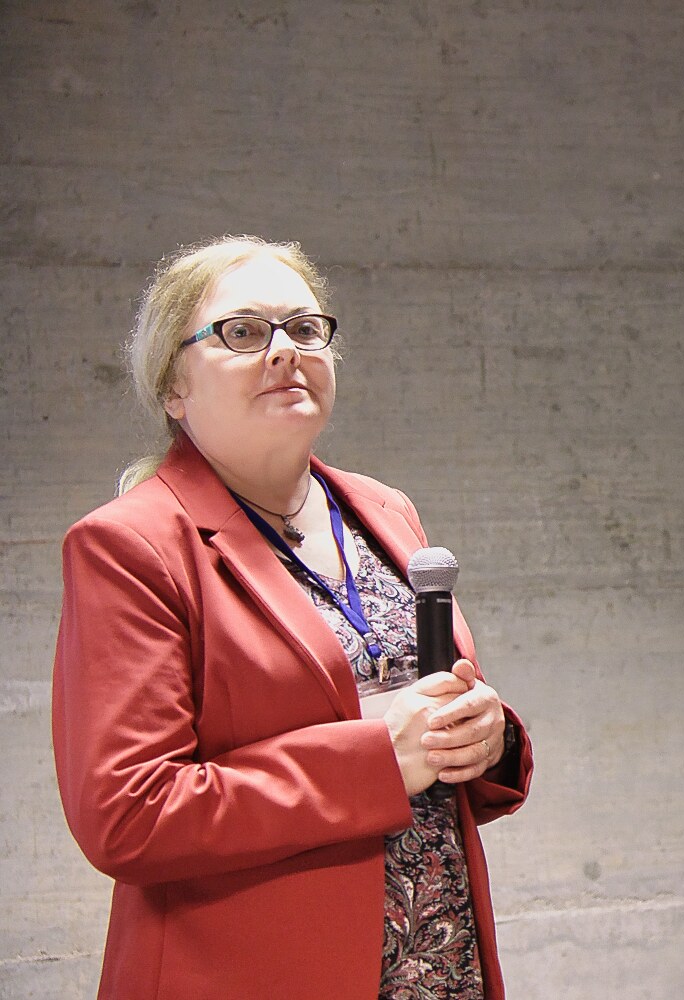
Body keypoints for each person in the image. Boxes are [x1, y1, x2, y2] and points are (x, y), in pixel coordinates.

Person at [52, 236, 533, 999]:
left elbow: (408, 712)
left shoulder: (384, 509)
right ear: (173, 386)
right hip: (255, 973)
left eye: (305, 329)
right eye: (243, 332)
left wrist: (487, 737)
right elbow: (129, 814)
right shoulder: (130, 545)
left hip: (439, 965)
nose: (285, 351)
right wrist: (378, 761)